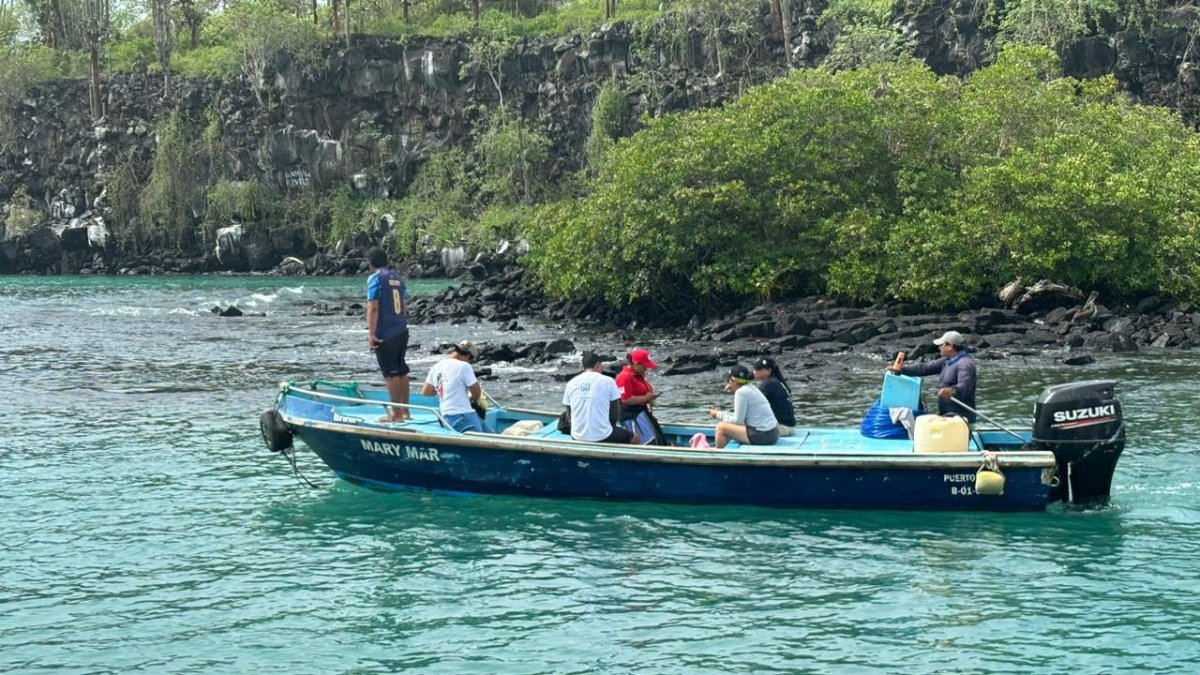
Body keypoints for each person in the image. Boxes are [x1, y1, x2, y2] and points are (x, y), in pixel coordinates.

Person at [888, 330, 977, 422]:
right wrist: (902, 370)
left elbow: (965, 386)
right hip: (947, 416)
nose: (939, 348)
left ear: (950, 346)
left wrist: (952, 391)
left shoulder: (965, 364)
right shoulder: (945, 361)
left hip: (963, 419)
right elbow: (924, 368)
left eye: (941, 345)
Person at [366, 247, 410, 422]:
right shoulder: (398, 278)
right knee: (402, 370)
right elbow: (405, 305)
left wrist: (371, 334)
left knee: (391, 374)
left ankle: (396, 414)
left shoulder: (375, 278)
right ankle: (406, 411)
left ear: (370, 264)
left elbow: (373, 307)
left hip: (386, 332)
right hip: (401, 329)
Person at [421, 340, 495, 433]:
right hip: (463, 416)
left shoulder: (436, 367)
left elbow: (425, 392)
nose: (470, 362)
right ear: (468, 355)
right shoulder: (464, 366)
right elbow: (476, 392)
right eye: (471, 359)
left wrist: (444, 388)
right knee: (484, 442)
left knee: (490, 434)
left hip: (447, 416)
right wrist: (472, 399)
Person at [562, 352, 637, 444]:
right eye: (601, 365)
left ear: (583, 367)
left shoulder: (571, 383)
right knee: (635, 438)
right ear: (597, 365)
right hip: (602, 436)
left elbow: (569, 413)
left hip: (576, 435)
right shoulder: (609, 381)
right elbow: (614, 414)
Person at [708, 364, 779, 448]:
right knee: (730, 425)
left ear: (733, 381)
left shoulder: (741, 392)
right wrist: (721, 413)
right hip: (773, 433)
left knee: (721, 427)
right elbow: (739, 418)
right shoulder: (751, 388)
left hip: (764, 436)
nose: (728, 383)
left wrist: (717, 414)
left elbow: (738, 420)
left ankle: (718, 455)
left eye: (728, 380)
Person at [616, 348, 666, 445]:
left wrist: (650, 397)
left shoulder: (638, 375)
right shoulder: (624, 377)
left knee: (659, 439)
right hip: (631, 415)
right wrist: (646, 398)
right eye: (644, 366)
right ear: (636, 364)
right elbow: (626, 399)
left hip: (642, 412)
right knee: (649, 442)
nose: (646, 369)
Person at [751, 356, 796, 436]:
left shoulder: (768, 384)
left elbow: (753, 407)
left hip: (781, 428)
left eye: (758, 369)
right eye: (754, 368)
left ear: (768, 370)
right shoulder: (777, 381)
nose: (755, 372)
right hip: (789, 427)